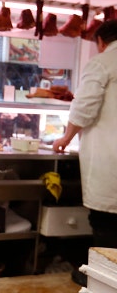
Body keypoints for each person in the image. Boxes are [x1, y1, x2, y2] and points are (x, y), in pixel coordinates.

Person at [52, 19, 117, 286]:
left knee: (105, 222)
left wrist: (66, 137)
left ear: (101, 41)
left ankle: (104, 279)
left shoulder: (103, 62)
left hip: (109, 158)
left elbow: (85, 108)